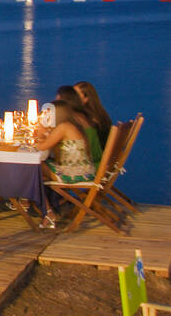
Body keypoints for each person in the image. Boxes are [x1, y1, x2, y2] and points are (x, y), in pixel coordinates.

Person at [34, 100, 97, 229]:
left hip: (73, 173)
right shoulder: (71, 125)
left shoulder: (63, 127)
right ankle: (34, 204)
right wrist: (44, 134)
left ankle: (49, 213)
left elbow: (42, 146)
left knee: (32, 170)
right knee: (37, 176)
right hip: (84, 170)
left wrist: (39, 134)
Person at [56, 85, 102, 162]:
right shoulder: (86, 116)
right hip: (95, 161)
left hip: (87, 164)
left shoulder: (70, 119)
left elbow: (48, 144)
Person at [74, 81, 113, 153]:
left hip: (90, 160)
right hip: (100, 159)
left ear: (86, 98)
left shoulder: (84, 119)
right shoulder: (100, 115)